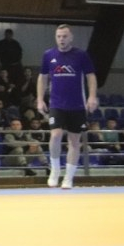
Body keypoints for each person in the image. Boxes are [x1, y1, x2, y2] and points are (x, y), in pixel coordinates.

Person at [37, 24, 97, 189]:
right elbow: (42, 77)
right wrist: (40, 99)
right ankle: (55, 170)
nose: (61, 39)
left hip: (77, 104)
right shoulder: (49, 55)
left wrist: (92, 96)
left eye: (64, 36)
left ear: (71, 38)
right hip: (56, 103)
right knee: (55, 135)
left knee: (74, 140)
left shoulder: (81, 55)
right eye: (59, 36)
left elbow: (91, 76)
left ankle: (68, 177)